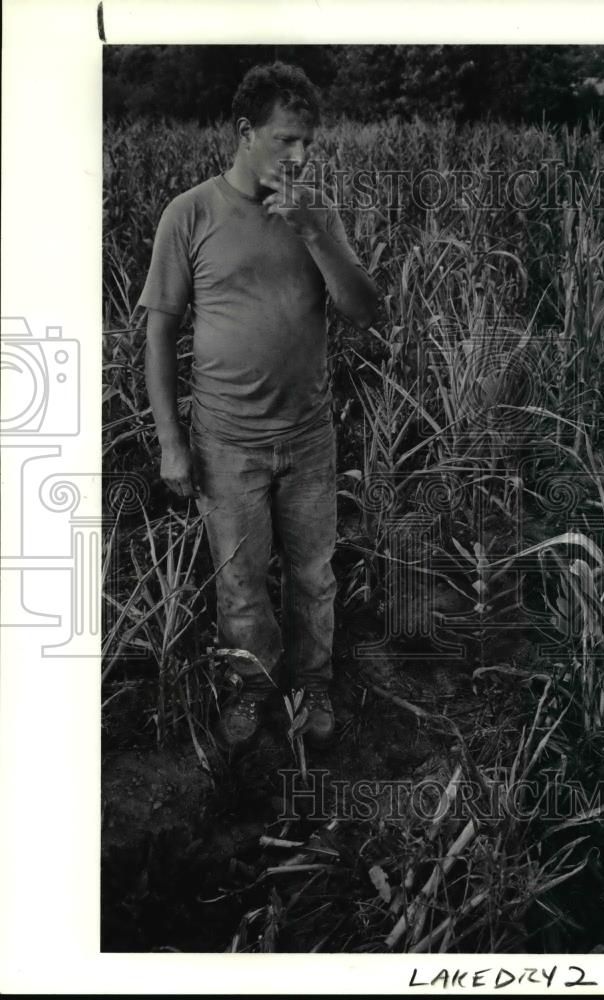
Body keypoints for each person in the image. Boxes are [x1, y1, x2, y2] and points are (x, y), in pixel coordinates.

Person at [136, 62, 381, 750]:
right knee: (240, 584)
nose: (300, 156)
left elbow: (364, 313)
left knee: (312, 576)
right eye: (285, 140)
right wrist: (170, 440)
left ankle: (312, 687)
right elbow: (158, 331)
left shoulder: (316, 211)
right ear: (246, 133)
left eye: (308, 142)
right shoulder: (191, 214)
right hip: (225, 441)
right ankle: (249, 691)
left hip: (308, 437)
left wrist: (314, 232)